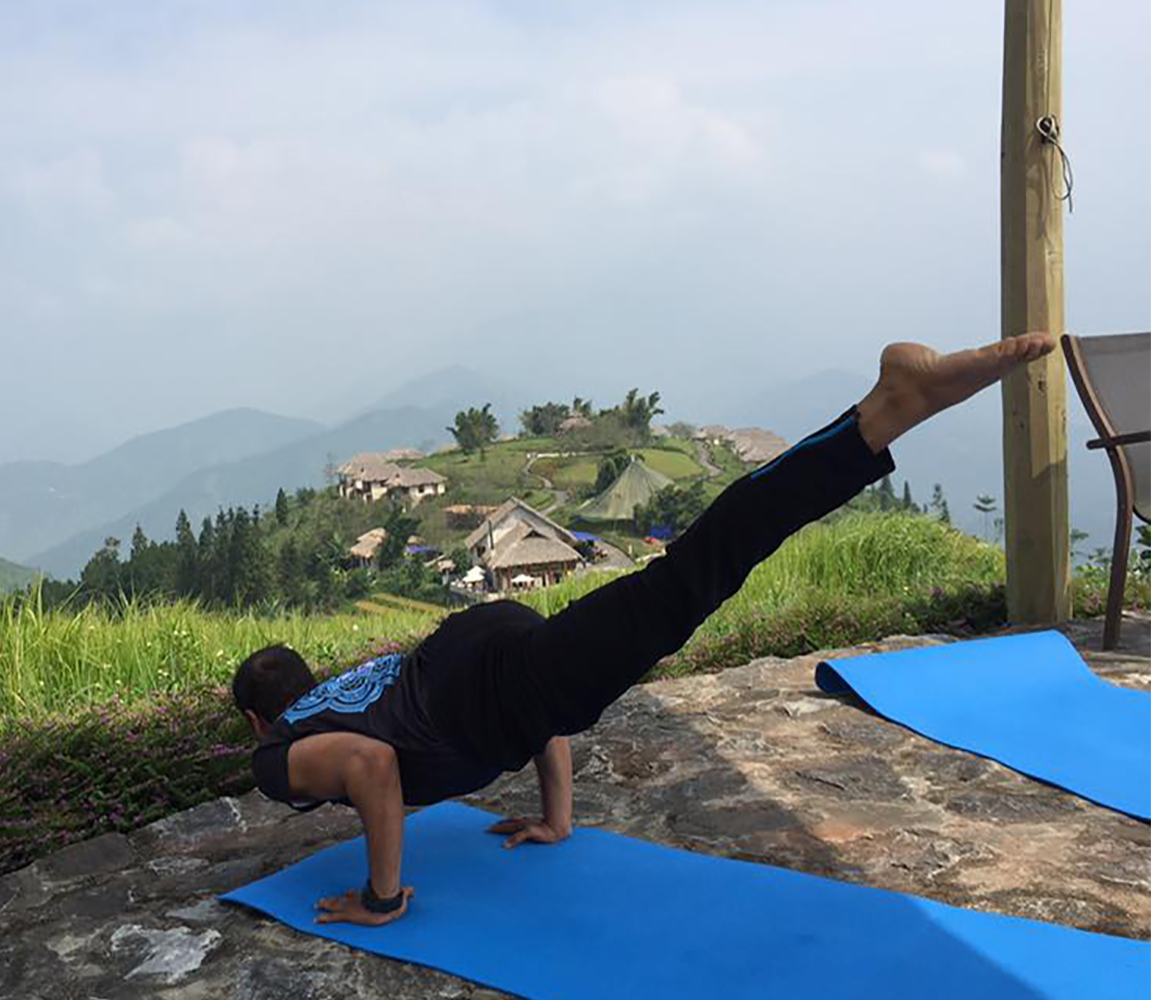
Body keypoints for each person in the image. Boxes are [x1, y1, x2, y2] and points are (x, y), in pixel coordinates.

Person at [231, 333, 1058, 927]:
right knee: (681, 585)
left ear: (264, 721)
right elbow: (517, 714)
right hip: (486, 653)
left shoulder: (280, 755)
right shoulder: (334, 701)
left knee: (694, 573)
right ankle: (881, 413)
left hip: (488, 678)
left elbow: (373, 767)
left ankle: (887, 407)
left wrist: (381, 898)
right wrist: (557, 818)